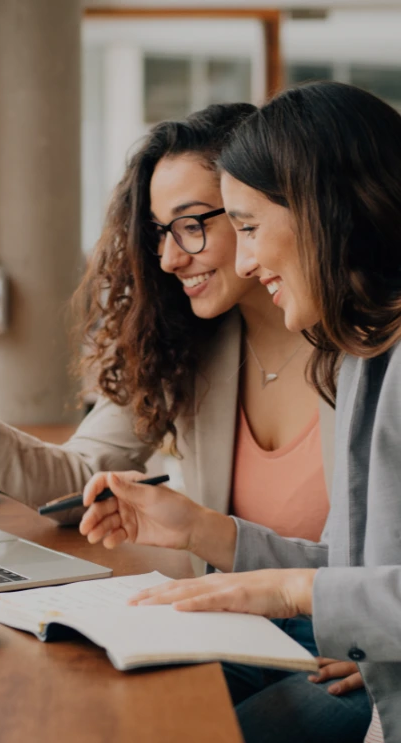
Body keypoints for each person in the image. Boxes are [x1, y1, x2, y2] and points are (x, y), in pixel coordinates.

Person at [0, 104, 368, 737]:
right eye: (159, 232)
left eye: (192, 226)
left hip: (343, 650)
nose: (169, 259)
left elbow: (379, 582)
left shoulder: (365, 354)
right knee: (84, 712)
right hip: (232, 623)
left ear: (259, 205)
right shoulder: (193, 346)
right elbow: (80, 478)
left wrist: (372, 640)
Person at [80, 81, 401, 741]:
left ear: (324, 209)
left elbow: (345, 591)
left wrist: (293, 595)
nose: (247, 260)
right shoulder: (369, 355)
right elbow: (351, 570)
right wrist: (203, 529)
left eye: (248, 227)